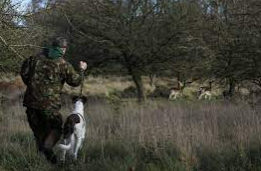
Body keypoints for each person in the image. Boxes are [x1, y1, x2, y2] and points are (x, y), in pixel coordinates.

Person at [20, 37, 87, 164]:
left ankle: (48, 161)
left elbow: (24, 73)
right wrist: (82, 69)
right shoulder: (63, 64)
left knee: (39, 131)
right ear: (63, 49)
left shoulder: (33, 59)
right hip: (49, 106)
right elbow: (75, 81)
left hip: (31, 103)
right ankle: (47, 149)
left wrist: (31, 87)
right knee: (56, 128)